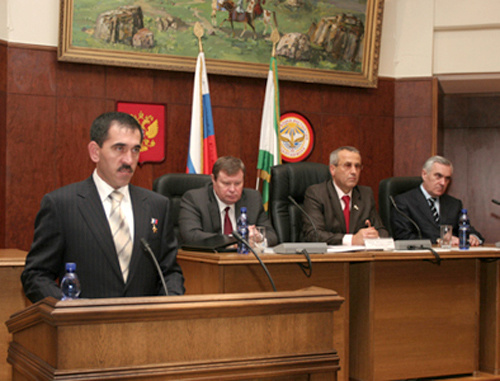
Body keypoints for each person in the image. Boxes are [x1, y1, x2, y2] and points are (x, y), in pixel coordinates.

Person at [21, 112, 185, 303]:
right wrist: (68, 308)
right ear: (95, 152)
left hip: (144, 327)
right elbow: (35, 276)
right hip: (83, 327)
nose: (129, 160)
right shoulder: (61, 204)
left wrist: (168, 306)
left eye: (135, 150)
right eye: (119, 148)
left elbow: (170, 272)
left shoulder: (157, 205)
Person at [179, 156, 278, 246]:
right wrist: (235, 239)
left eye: (238, 183)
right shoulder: (195, 199)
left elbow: (272, 236)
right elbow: (191, 236)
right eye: (226, 183)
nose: (232, 189)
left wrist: (259, 237)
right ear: (213, 179)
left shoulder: (253, 198)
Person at [302, 146, 389, 245]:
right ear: (332, 169)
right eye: (348, 165)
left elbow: (383, 232)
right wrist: (352, 240)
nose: (354, 171)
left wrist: (374, 235)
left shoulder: (365, 194)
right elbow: (313, 234)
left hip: (360, 257)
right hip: (329, 258)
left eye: (357, 166)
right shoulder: (316, 194)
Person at [392, 155, 484, 245]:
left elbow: (466, 228)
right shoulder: (403, 201)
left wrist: (473, 237)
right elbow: (403, 237)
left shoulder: (454, 204)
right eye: (438, 176)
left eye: (447, 178)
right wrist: (438, 240)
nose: (443, 183)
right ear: (424, 174)